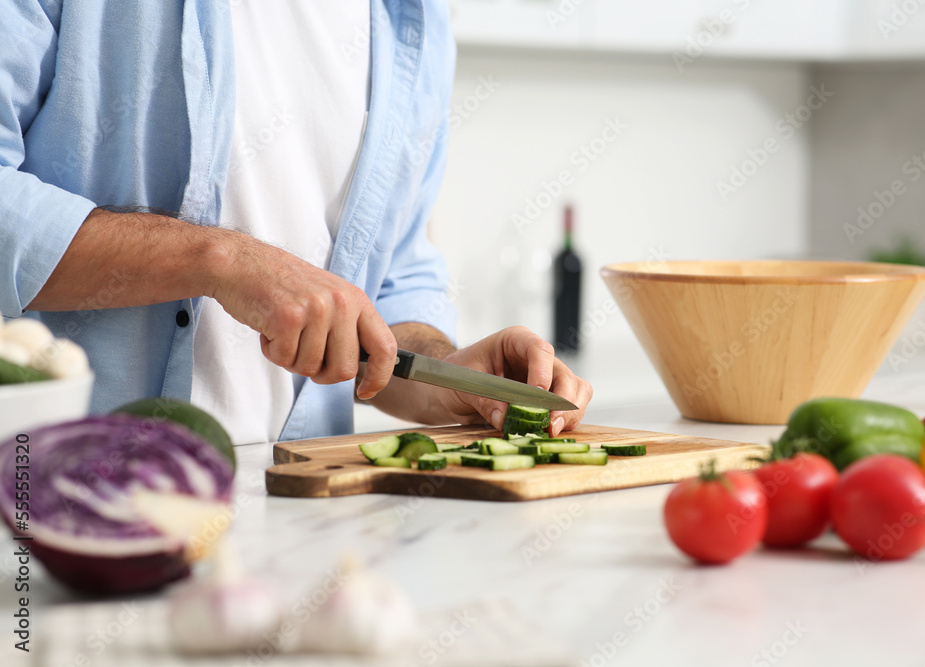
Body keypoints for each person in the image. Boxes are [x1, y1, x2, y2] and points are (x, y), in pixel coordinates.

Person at [0, 0, 592, 444]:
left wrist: (445, 375)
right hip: (53, 503)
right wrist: (219, 261)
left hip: (299, 520)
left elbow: (394, 279)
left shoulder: (415, 25)